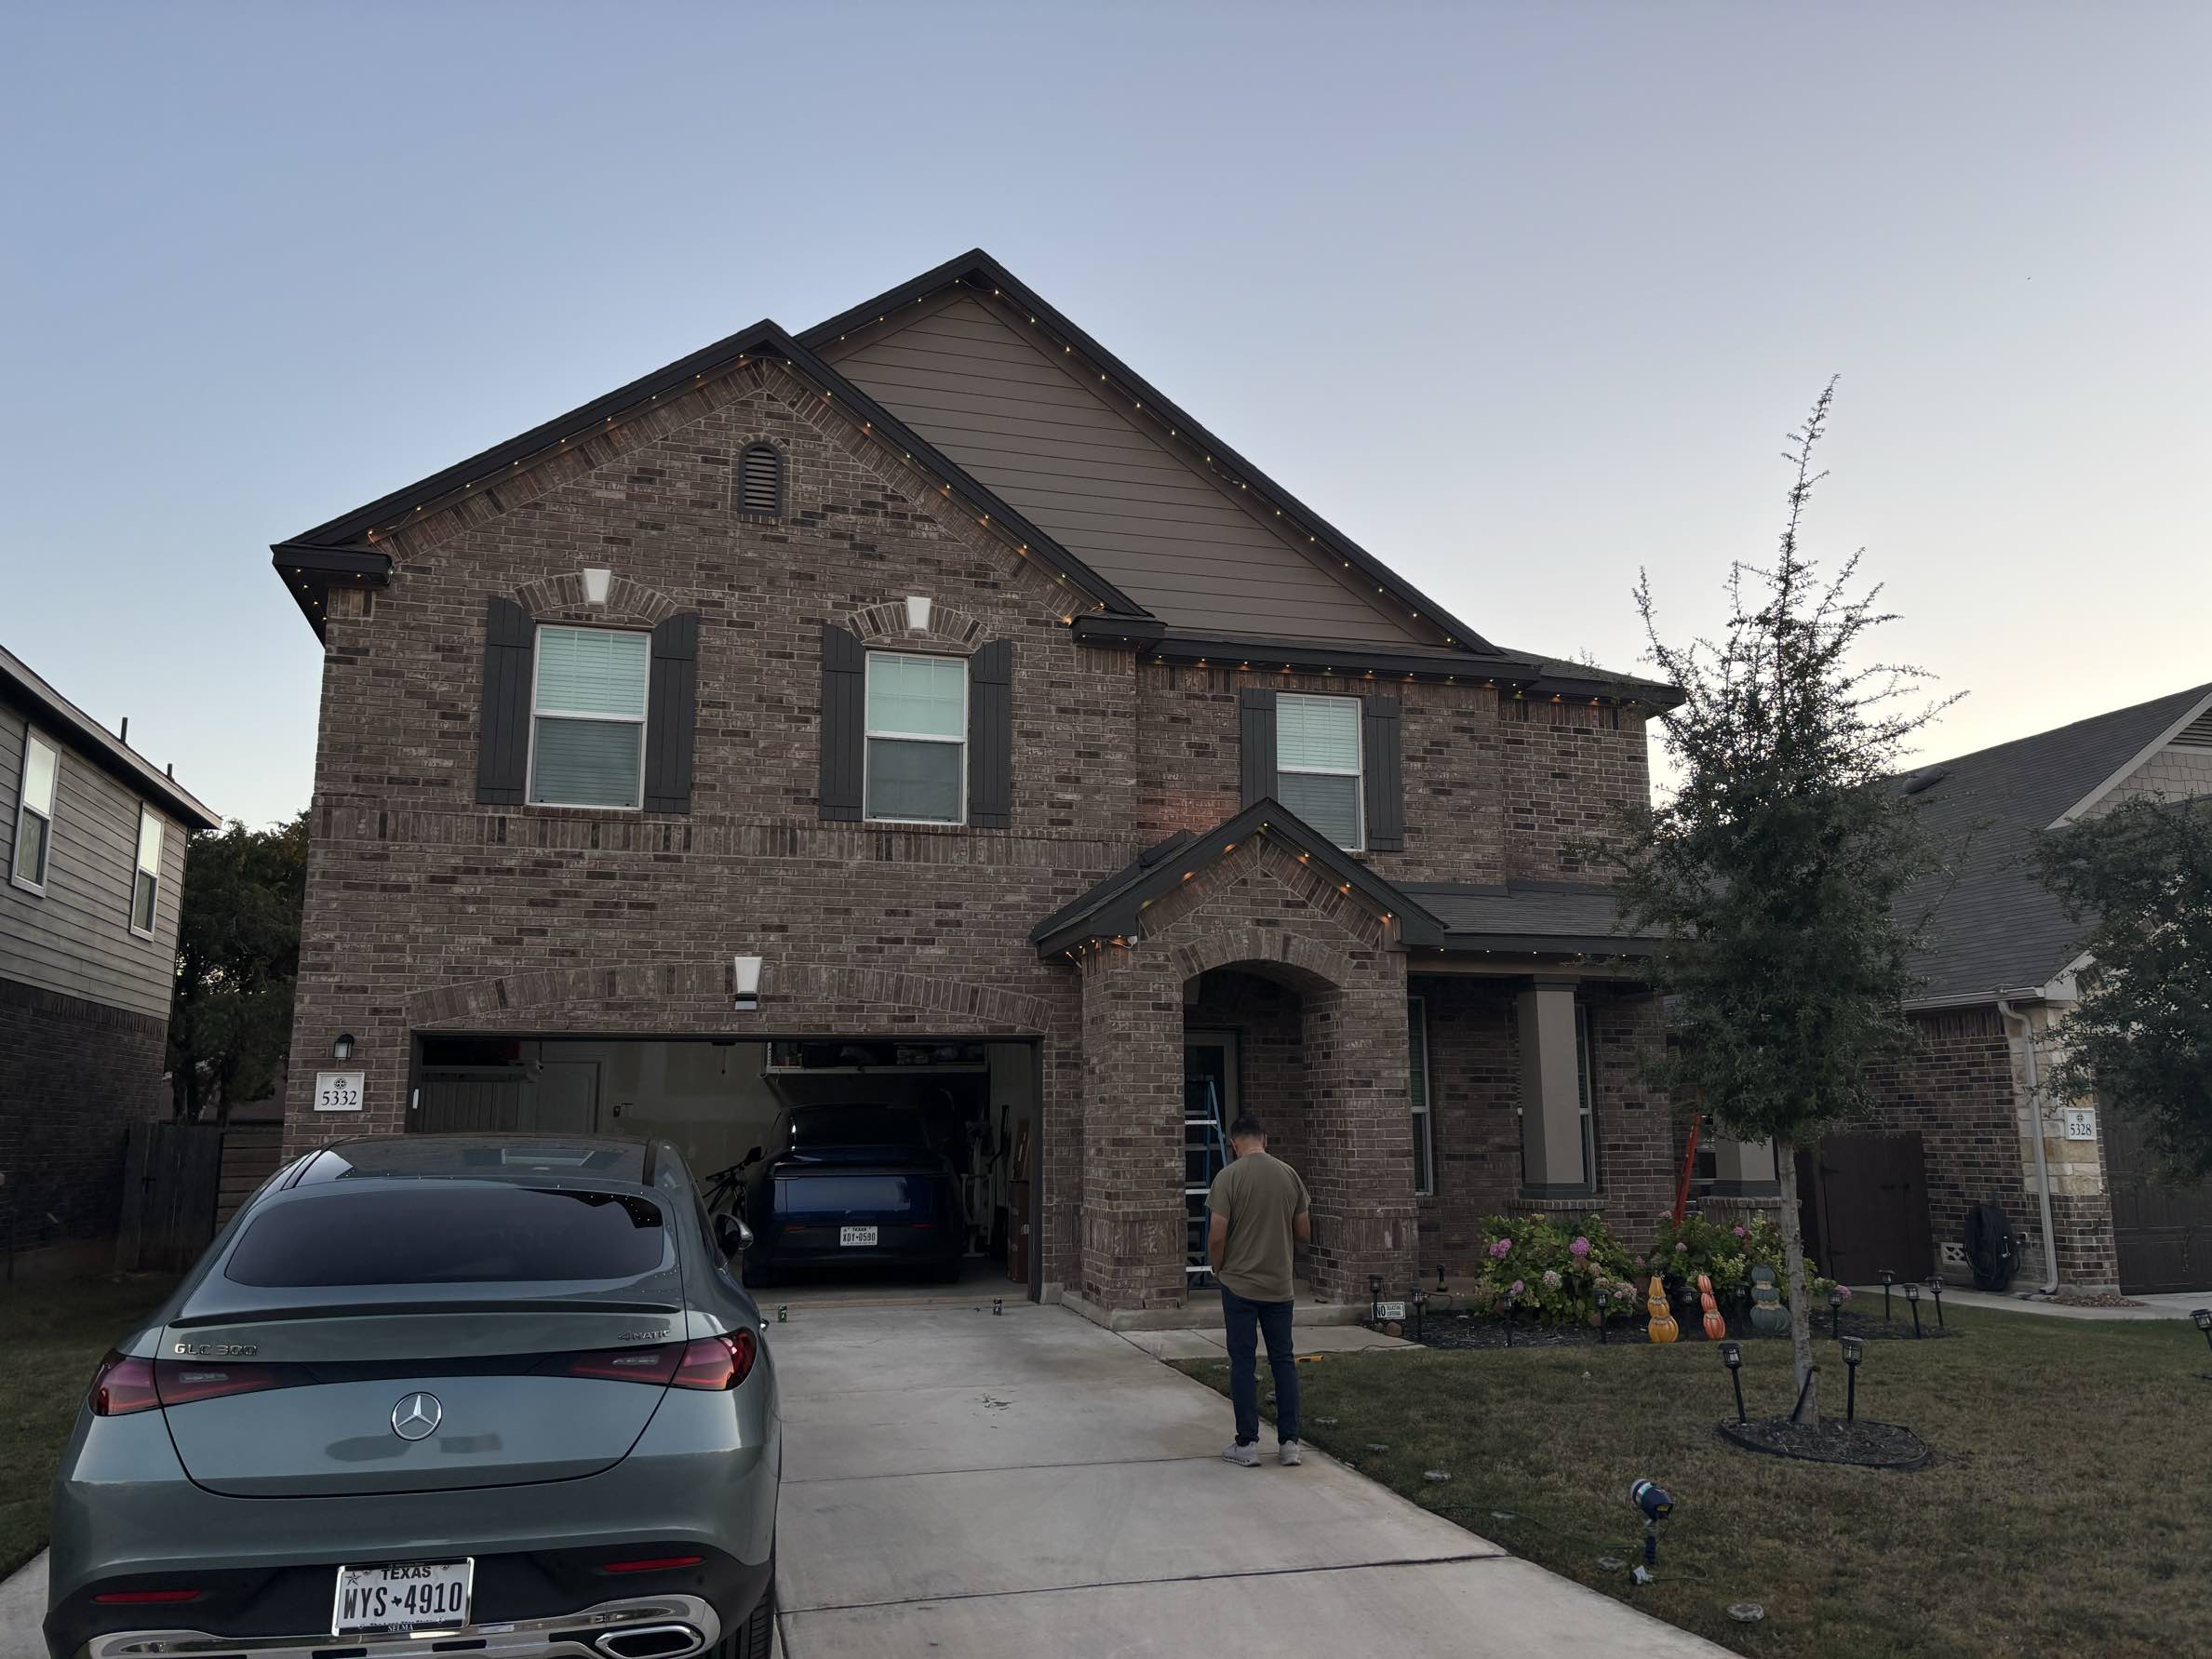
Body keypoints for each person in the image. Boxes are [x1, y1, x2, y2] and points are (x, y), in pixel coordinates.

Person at [1205, 1113, 1311, 1467]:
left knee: (1243, 1361)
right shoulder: (1289, 1175)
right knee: (1284, 1361)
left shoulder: (1227, 1178)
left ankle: (1247, 1444)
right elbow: (1303, 1232)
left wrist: (1218, 1267)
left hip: (1239, 1284)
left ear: (1234, 1144)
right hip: (1279, 1285)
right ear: (1265, 1139)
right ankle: (1290, 1444)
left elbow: (1217, 1233)